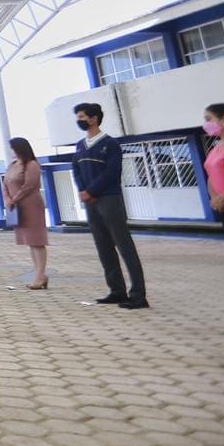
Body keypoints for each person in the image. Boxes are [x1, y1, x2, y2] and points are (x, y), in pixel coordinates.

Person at [73, 103, 147, 309]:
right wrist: (83, 190)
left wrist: (91, 191)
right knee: (103, 247)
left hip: (109, 199)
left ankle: (138, 295)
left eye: (82, 116)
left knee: (124, 246)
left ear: (94, 118)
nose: (79, 120)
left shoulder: (110, 144)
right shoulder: (80, 145)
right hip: (90, 202)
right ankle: (117, 291)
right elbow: (76, 169)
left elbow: (112, 173)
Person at [3, 137, 47, 289]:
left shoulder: (32, 164)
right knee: (30, 242)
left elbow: (29, 185)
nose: (11, 151)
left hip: (31, 206)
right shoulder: (12, 166)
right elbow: (5, 184)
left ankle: (40, 276)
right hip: (17, 208)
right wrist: (7, 199)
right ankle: (39, 274)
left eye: (13, 148)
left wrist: (14, 199)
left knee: (37, 241)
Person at [202, 102, 224, 262]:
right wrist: (215, 199)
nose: (205, 124)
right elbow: (212, 176)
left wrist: (223, 198)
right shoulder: (216, 149)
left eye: (209, 119)